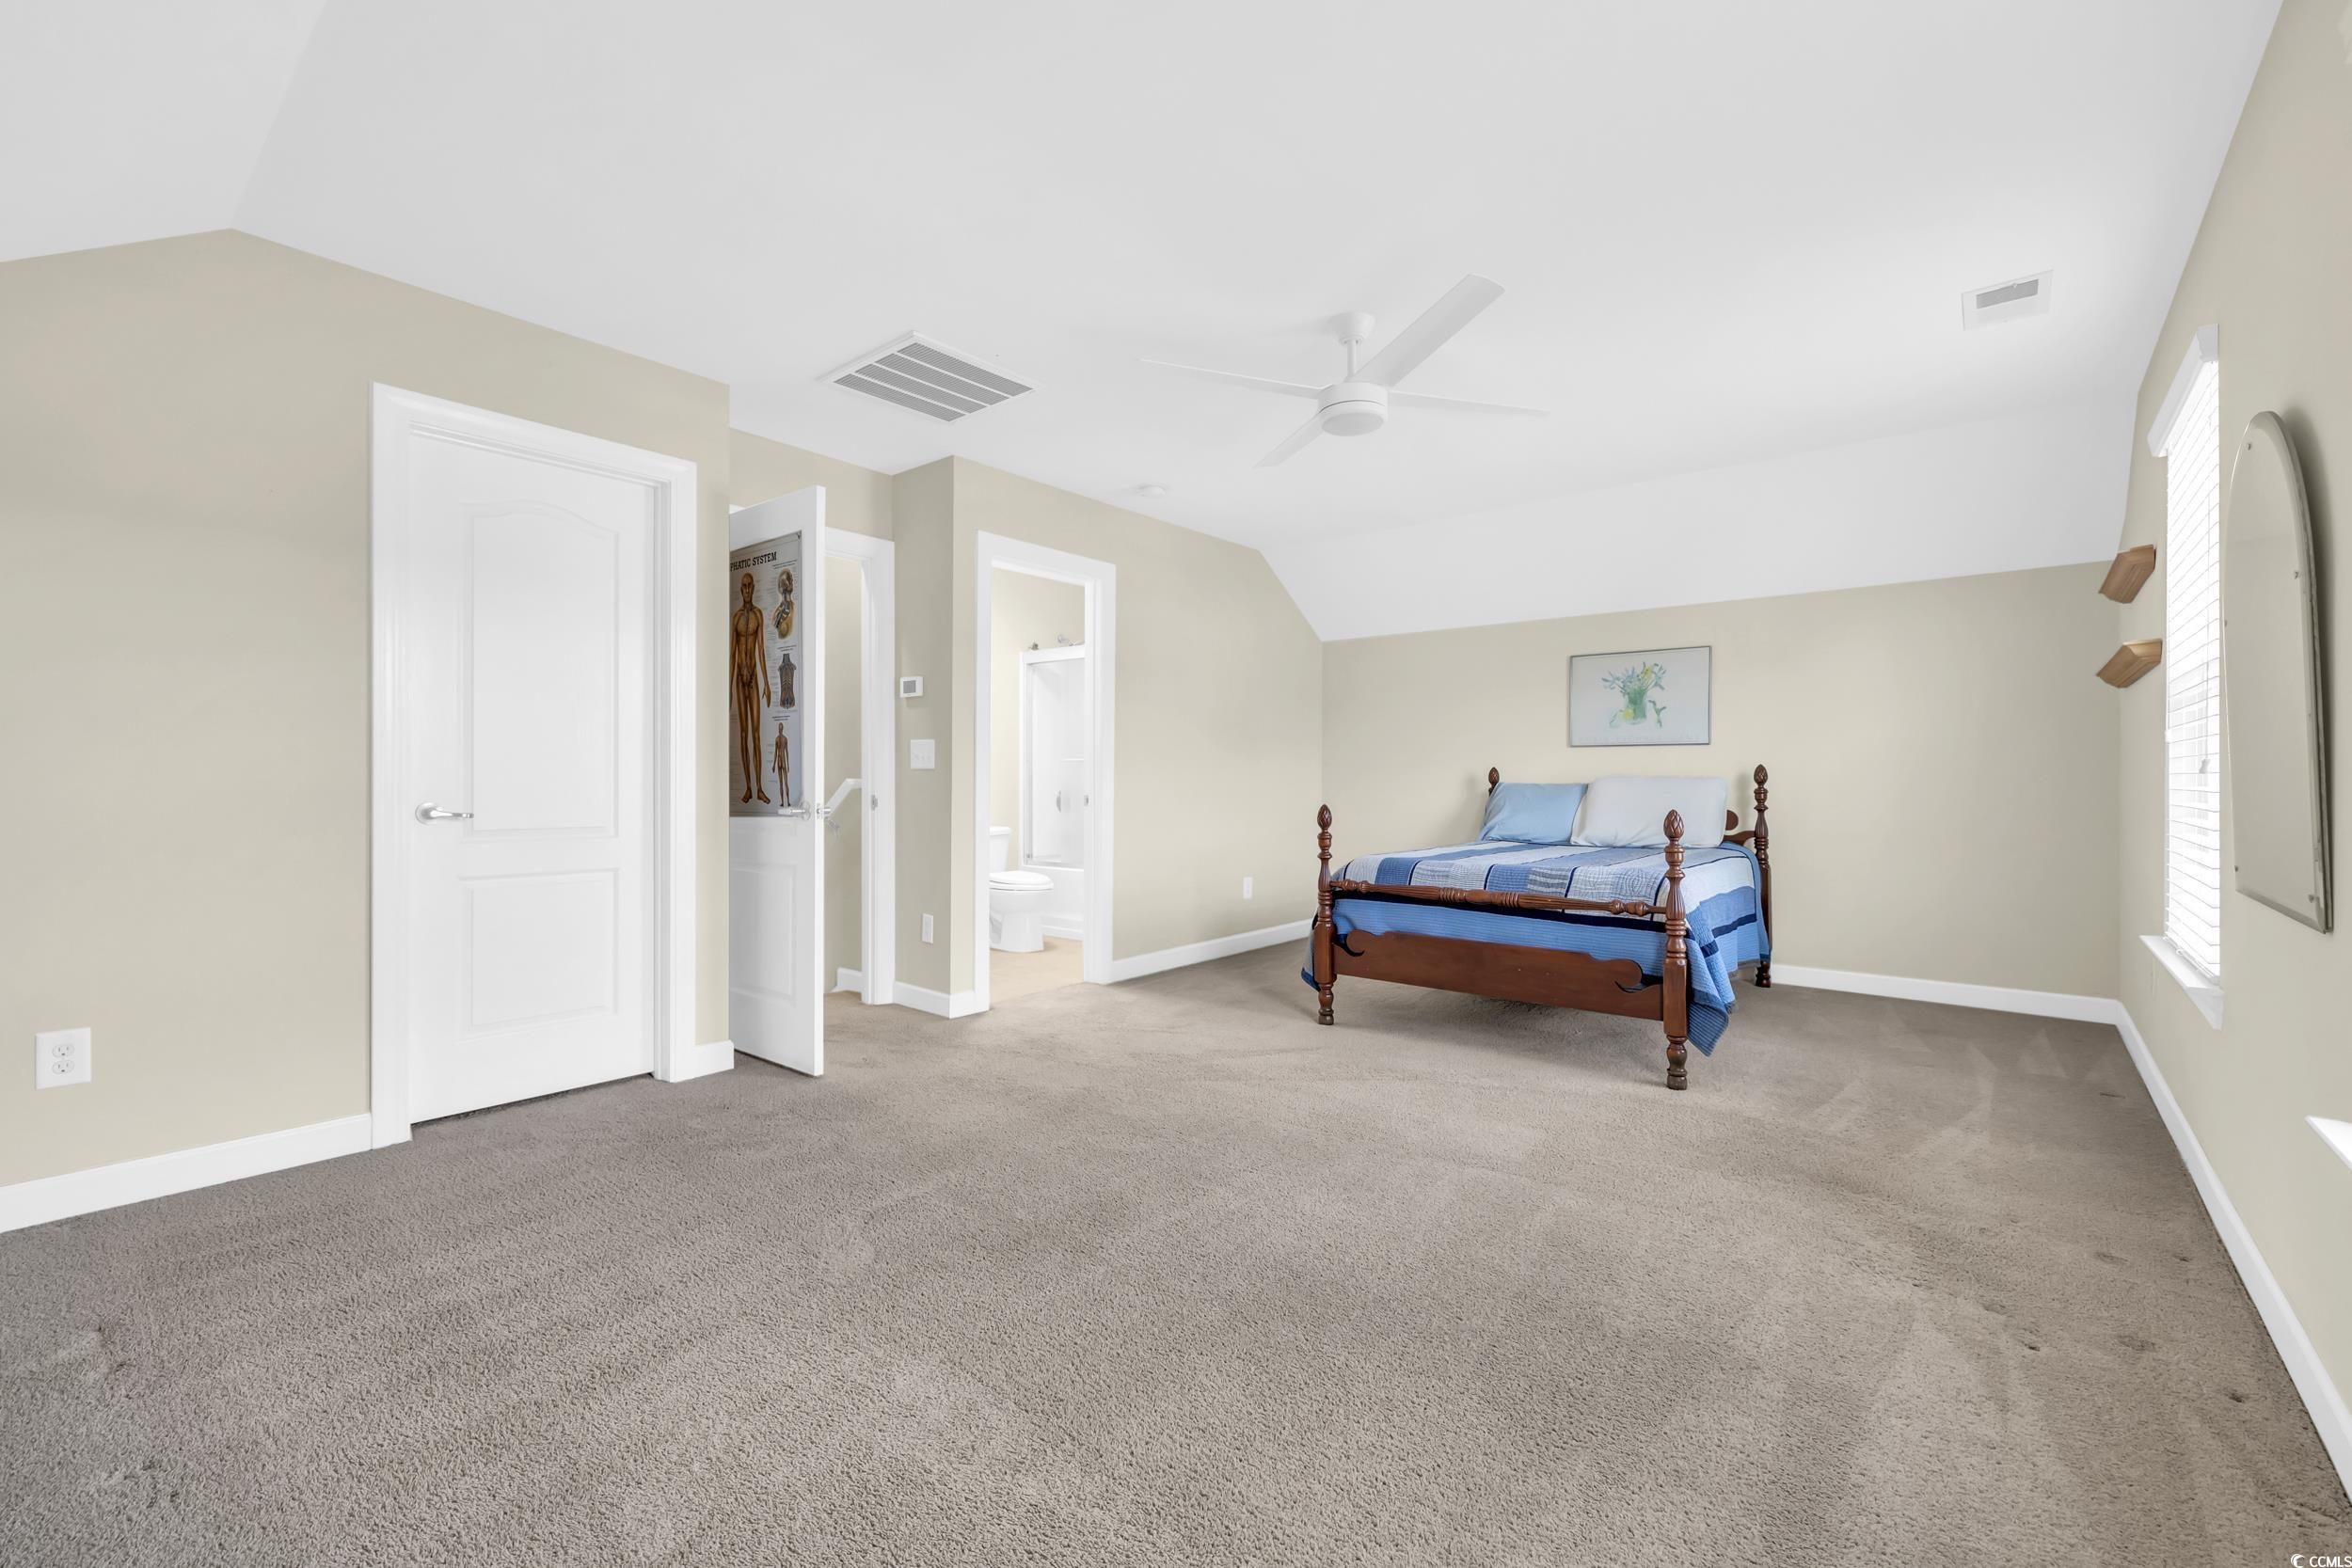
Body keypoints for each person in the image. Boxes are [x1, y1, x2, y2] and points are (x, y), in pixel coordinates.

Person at [730, 571, 771, 804]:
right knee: (744, 734)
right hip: (739, 678)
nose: (746, 590)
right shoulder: (736, 618)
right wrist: (728, 688)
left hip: (754, 678)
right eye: (743, 586)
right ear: (741, 589)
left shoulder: (758, 615)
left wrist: (767, 683)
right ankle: (748, 787)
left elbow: (762, 650)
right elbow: (731, 654)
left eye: (749, 586)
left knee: (756, 734)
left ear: (753, 588)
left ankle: (760, 788)